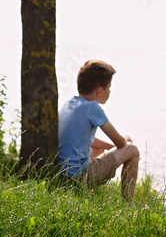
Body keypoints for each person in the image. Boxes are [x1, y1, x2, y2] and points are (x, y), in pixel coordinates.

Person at [58, 59, 140, 200]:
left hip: (60, 175)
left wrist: (111, 147)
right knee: (132, 150)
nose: (109, 91)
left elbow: (83, 138)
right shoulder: (93, 108)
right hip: (79, 178)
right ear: (99, 91)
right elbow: (121, 143)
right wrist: (124, 139)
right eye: (109, 87)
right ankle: (128, 204)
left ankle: (88, 197)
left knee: (97, 150)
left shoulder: (69, 103)